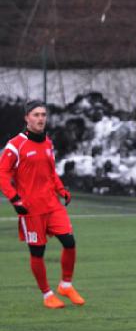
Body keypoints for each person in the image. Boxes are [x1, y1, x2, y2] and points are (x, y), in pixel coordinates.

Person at [0, 100, 86, 309]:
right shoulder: (15, 145)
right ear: (27, 118)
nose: (40, 119)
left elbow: (51, 172)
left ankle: (66, 285)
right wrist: (14, 199)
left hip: (52, 204)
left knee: (69, 242)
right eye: (36, 115)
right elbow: (2, 174)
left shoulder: (47, 142)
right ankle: (47, 294)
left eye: (43, 115)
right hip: (31, 209)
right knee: (38, 252)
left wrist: (61, 190)